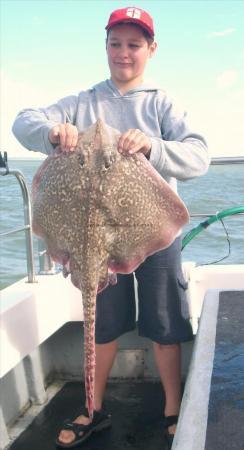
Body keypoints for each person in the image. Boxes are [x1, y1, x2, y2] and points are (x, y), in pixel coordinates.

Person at [12, 6, 209, 449]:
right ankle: (93, 407)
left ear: (150, 50)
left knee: (165, 324)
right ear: (105, 46)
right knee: (101, 322)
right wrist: (52, 132)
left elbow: (199, 154)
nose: (124, 52)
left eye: (134, 44)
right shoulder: (81, 102)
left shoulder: (161, 103)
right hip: (92, 234)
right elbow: (23, 120)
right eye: (116, 43)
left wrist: (154, 148)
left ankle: (172, 409)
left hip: (156, 235)